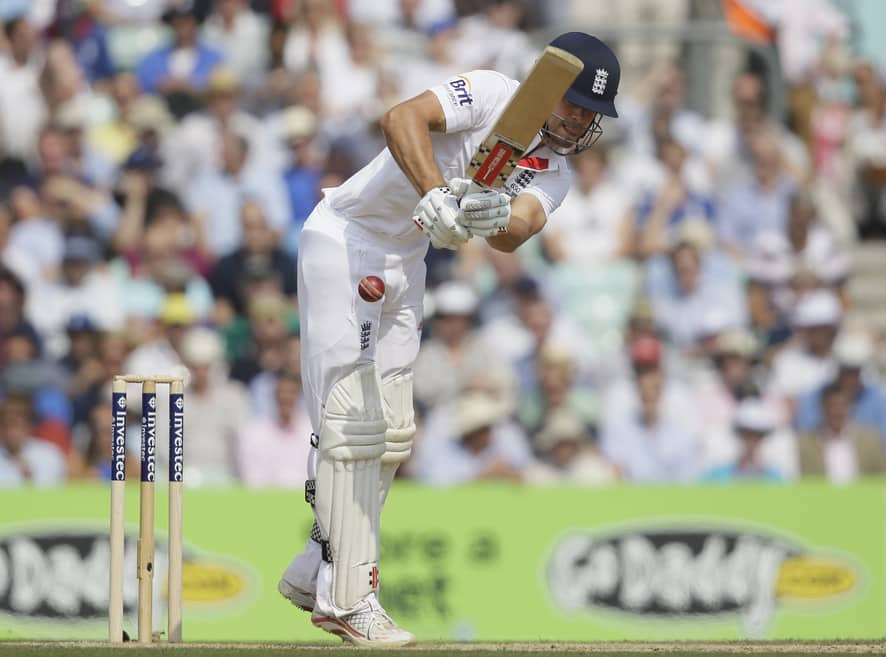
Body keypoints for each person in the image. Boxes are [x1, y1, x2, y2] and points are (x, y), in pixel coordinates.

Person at [277, 32, 621, 646]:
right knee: (351, 422)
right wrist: (436, 190)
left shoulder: (557, 171)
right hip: (346, 238)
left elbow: (519, 229)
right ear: (548, 89)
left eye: (592, 114)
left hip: (406, 260)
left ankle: (316, 568)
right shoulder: (493, 94)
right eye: (574, 105)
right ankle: (348, 597)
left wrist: (491, 215)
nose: (581, 121)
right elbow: (401, 117)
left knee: (393, 431)